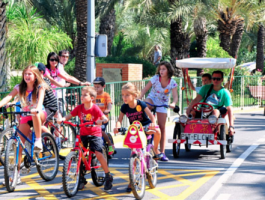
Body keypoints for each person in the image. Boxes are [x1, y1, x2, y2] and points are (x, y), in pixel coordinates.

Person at [0, 65, 48, 185]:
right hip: (26, 115)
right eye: (25, 74)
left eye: (30, 74)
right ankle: (16, 174)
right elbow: (8, 97)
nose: (27, 76)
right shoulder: (20, 87)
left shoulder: (40, 87)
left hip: (39, 113)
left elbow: (40, 103)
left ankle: (38, 141)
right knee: (18, 146)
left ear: (36, 76)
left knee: (35, 114)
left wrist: (36, 109)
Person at [59, 86, 113, 190]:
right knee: (80, 154)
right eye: (82, 94)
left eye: (85, 95)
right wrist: (62, 119)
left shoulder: (95, 108)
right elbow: (70, 115)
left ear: (92, 98)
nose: (82, 97)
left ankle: (108, 175)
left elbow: (105, 119)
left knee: (98, 153)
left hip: (95, 133)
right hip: (83, 133)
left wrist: (101, 121)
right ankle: (81, 178)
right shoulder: (79, 107)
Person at [113, 82, 163, 192]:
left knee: (158, 130)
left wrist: (153, 124)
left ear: (134, 95)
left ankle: (155, 149)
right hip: (134, 129)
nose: (124, 97)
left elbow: (151, 117)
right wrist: (117, 127)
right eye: (123, 95)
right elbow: (119, 120)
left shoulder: (141, 104)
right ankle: (132, 181)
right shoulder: (124, 107)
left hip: (145, 126)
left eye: (127, 95)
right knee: (134, 155)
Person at [140, 61, 178, 161]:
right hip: (152, 100)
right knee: (145, 105)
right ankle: (143, 143)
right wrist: (138, 99)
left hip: (163, 103)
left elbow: (175, 96)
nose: (161, 71)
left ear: (169, 70)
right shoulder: (155, 78)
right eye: (160, 69)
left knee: (162, 127)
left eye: (163, 69)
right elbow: (145, 90)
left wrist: (173, 103)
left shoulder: (172, 82)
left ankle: (162, 152)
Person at [186, 70, 235, 136]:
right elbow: (197, 99)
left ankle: (211, 130)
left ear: (222, 80)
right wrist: (189, 108)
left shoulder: (225, 92)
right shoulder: (205, 88)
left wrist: (231, 126)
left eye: (218, 79)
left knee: (216, 111)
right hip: (201, 109)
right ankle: (189, 129)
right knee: (192, 113)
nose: (215, 80)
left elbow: (229, 108)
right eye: (214, 78)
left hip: (213, 113)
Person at [36, 63, 59, 139]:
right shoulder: (35, 82)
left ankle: (53, 141)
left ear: (41, 72)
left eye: (35, 72)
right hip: (44, 107)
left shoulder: (45, 80)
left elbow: (42, 87)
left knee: (40, 123)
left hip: (51, 107)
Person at [93, 77, 115, 155]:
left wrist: (108, 110)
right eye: (94, 87)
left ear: (103, 86)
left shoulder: (106, 95)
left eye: (98, 87)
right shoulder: (93, 95)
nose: (96, 89)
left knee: (101, 131)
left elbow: (109, 104)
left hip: (103, 118)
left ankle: (110, 144)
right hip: (94, 118)